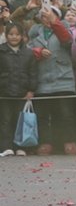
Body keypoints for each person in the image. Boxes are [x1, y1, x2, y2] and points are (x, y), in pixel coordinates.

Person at [29, 5, 76, 155]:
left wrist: (56, 23)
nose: (47, 19)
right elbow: (27, 53)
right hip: (42, 80)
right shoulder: (35, 35)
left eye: (51, 15)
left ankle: (68, 141)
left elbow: (68, 41)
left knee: (65, 114)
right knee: (42, 115)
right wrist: (38, 52)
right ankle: (45, 142)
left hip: (63, 79)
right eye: (44, 16)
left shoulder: (63, 30)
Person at [0, 22, 37, 156]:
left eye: (17, 34)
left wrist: (31, 90)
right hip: (4, 92)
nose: (14, 37)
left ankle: (21, 146)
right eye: (11, 34)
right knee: (5, 120)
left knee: (21, 120)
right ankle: (6, 146)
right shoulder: (1, 51)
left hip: (22, 92)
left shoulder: (28, 53)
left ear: (22, 36)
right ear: (6, 35)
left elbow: (33, 73)